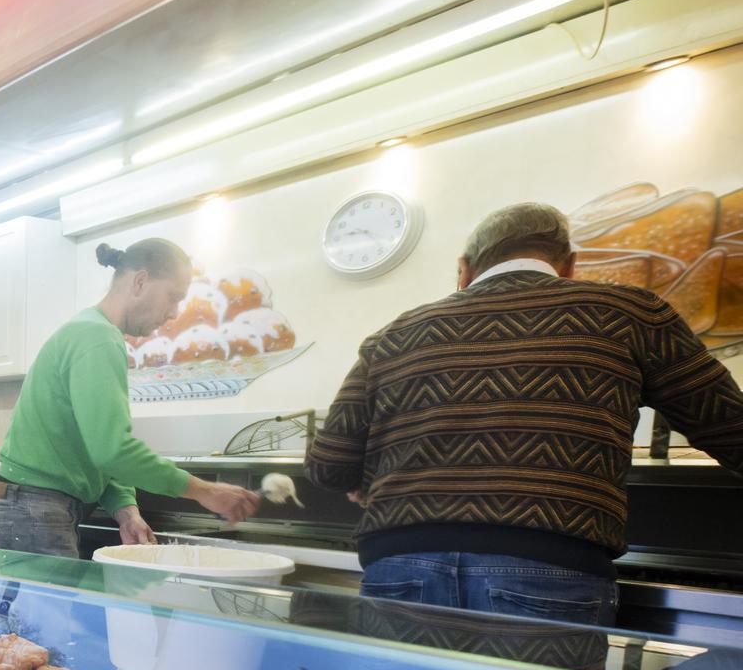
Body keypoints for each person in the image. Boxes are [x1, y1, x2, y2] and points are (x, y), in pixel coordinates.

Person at [307, 201, 743, 623]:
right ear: (570, 265)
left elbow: (328, 466)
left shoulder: (394, 334)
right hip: (548, 565)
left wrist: (371, 478)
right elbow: (730, 428)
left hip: (402, 564)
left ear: (464, 270)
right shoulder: (629, 313)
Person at [0, 239, 260, 559]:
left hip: (29, 504)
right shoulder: (97, 338)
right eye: (173, 298)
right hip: (35, 506)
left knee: (41, 609)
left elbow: (97, 448)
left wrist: (125, 509)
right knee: (52, 609)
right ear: (141, 281)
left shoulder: (89, 330)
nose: (173, 313)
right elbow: (113, 450)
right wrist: (206, 491)